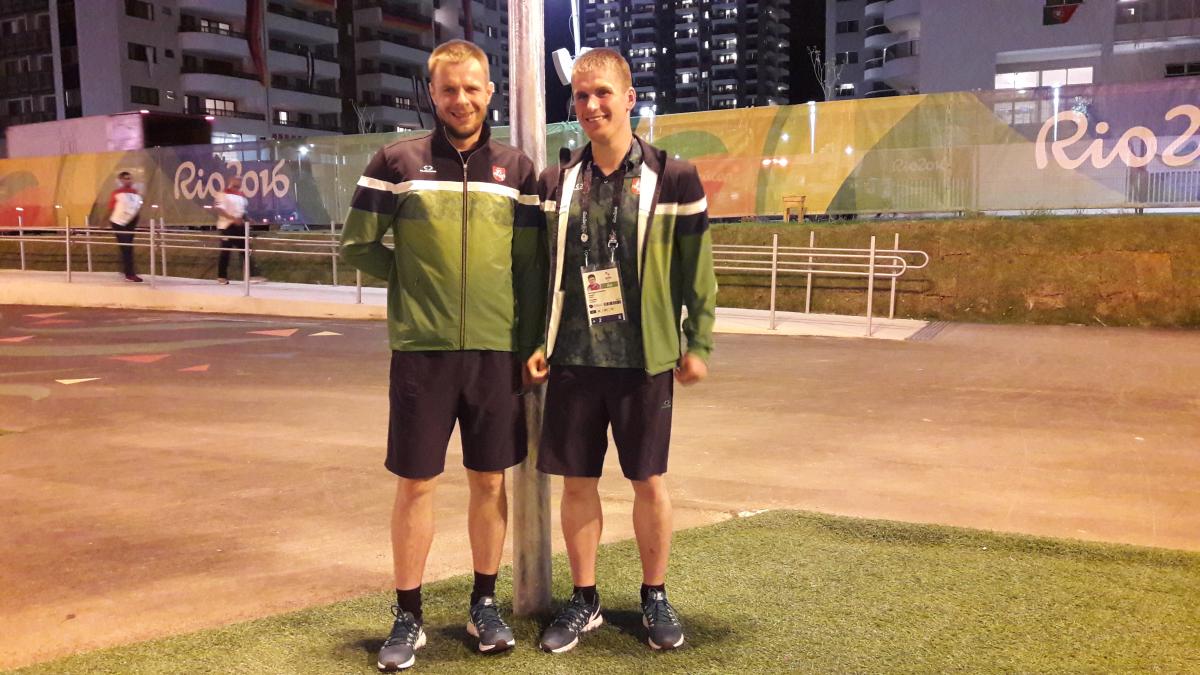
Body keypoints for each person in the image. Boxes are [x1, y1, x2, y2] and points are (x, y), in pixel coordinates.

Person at [339, 39, 544, 672]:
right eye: (449, 89)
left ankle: (484, 603)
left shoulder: (520, 170)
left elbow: (531, 266)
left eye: (473, 87)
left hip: (495, 352)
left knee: (489, 480)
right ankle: (408, 614)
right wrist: (410, 281)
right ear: (432, 93)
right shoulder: (396, 161)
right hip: (422, 353)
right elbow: (359, 245)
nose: (461, 99)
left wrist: (533, 340)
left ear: (490, 91)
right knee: (417, 482)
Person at [525, 47, 717, 654]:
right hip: (574, 360)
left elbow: (697, 269)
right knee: (576, 483)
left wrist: (697, 341)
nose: (591, 105)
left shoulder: (674, 177)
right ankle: (584, 601)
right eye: (581, 96)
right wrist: (538, 340)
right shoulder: (557, 181)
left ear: (629, 98)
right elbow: (538, 272)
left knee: (648, 481)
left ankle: (654, 594)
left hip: (643, 361)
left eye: (603, 93)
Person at [214, 176, 264, 284]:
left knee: (246, 250)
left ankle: (252, 276)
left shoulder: (241, 197)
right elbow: (219, 209)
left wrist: (247, 219)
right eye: (236, 181)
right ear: (230, 182)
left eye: (240, 181)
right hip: (227, 227)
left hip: (239, 227)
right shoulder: (223, 194)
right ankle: (221, 277)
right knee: (225, 252)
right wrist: (232, 219)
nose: (239, 183)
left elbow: (241, 211)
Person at [107, 171, 143, 282]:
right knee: (126, 247)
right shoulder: (116, 193)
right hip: (118, 222)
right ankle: (129, 273)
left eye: (130, 178)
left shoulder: (135, 193)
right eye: (126, 178)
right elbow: (111, 208)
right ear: (121, 180)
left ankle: (127, 271)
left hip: (130, 222)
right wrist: (104, 221)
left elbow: (136, 208)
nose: (128, 180)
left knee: (127, 247)